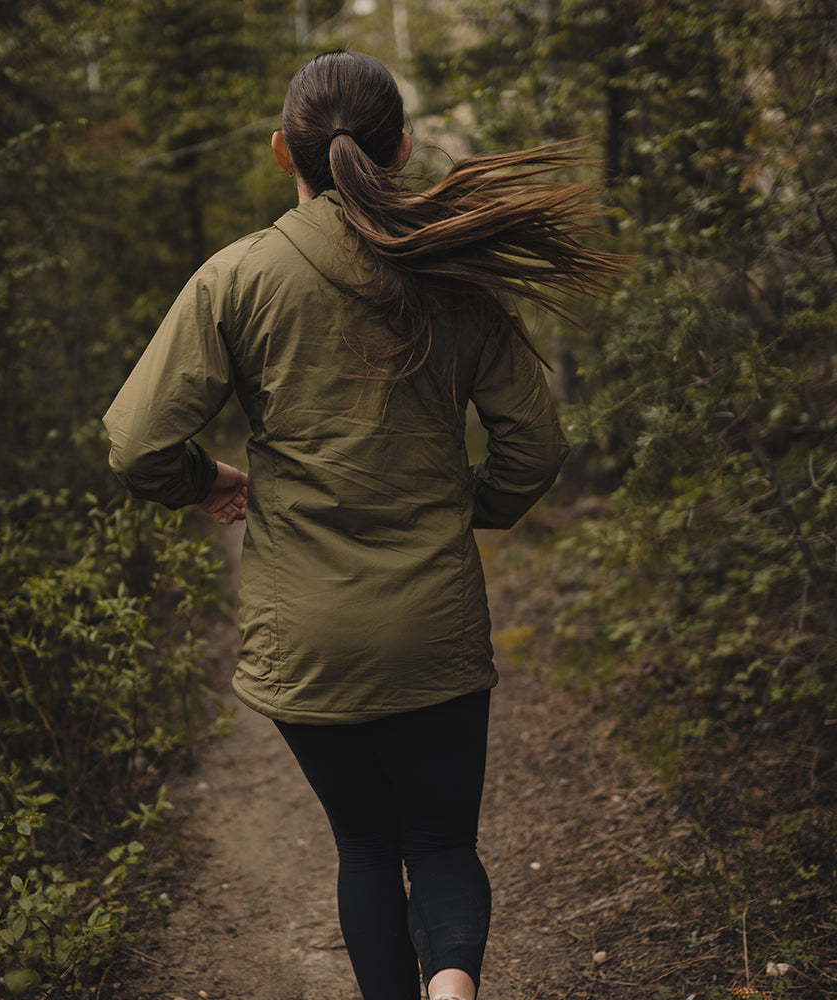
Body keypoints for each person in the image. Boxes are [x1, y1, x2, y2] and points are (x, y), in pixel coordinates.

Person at [104, 49, 622, 1000]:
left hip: (309, 644)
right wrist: (474, 506)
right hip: (434, 627)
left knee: (367, 850)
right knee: (442, 843)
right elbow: (536, 448)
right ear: (401, 148)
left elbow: (137, 444)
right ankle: (455, 987)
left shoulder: (238, 279)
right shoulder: (458, 277)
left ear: (280, 152)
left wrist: (203, 475)